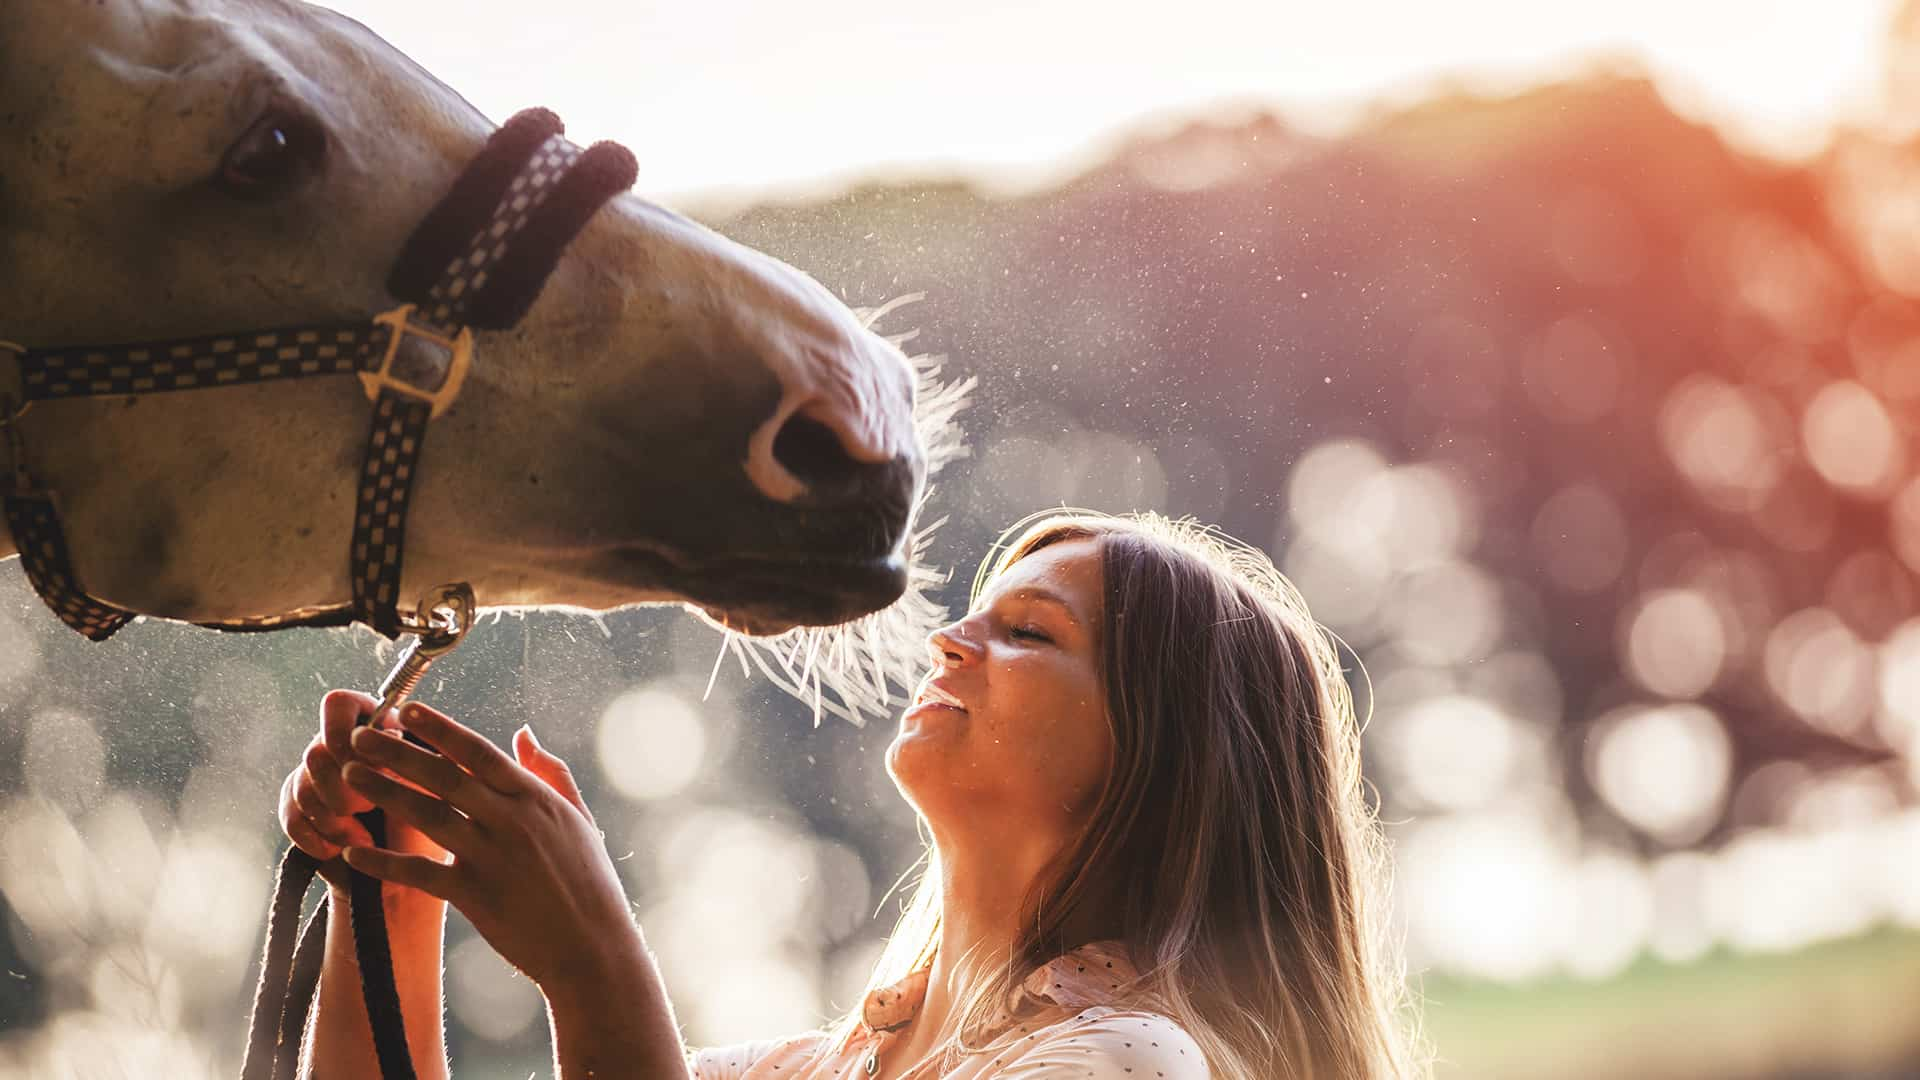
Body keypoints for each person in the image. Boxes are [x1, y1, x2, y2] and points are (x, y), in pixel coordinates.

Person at [278, 511, 1431, 1079]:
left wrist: (591, 965)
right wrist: (389, 895)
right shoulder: (807, 1070)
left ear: (1165, 755)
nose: (946, 640)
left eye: (1027, 631)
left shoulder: (1125, 1064)